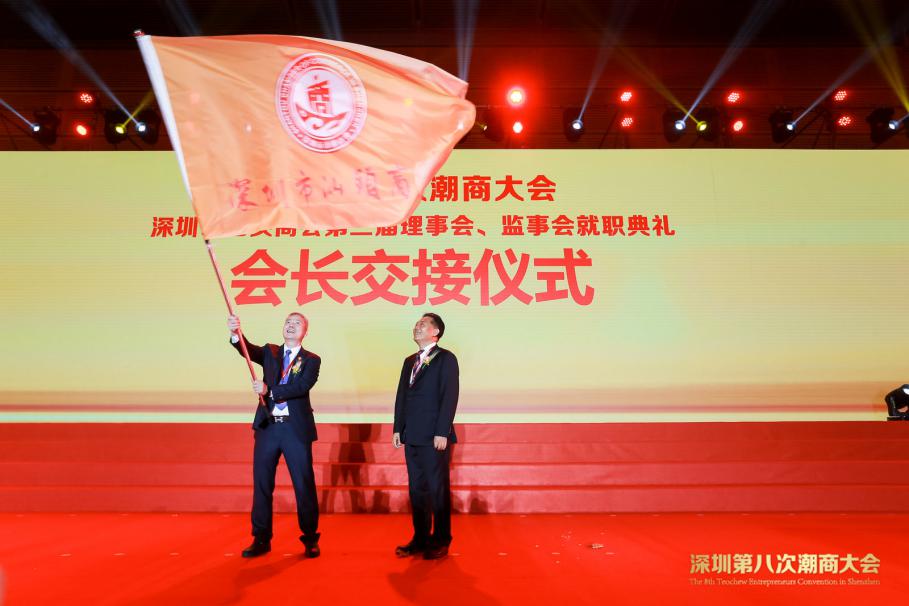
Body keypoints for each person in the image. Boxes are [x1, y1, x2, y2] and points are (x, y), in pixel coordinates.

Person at [227, 312, 322, 558]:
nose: (291, 326)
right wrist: (236, 333)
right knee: (262, 484)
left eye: (297, 323)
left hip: (295, 430)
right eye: (288, 322)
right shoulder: (270, 352)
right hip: (268, 427)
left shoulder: (311, 359)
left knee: (303, 484)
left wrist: (270, 390)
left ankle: (310, 537)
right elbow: (247, 350)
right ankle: (261, 538)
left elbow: (302, 386)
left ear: (305, 331)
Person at [392, 313, 460, 560]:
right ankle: (420, 538)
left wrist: (442, 431)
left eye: (423, 324)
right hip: (412, 435)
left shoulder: (446, 358)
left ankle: (441, 539)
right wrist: (398, 427)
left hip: (434, 436)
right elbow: (402, 395)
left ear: (436, 332)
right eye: (416, 324)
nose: (417, 327)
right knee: (417, 490)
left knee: (436, 489)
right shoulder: (409, 360)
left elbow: (449, 395)